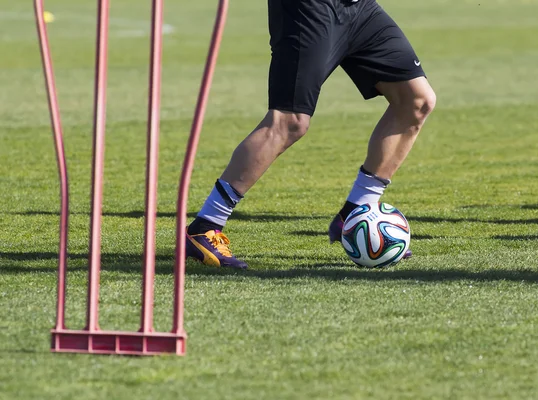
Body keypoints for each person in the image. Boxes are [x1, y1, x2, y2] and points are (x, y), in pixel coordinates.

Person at [185, 0, 436, 269]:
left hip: (359, 8)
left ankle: (355, 212)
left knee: (416, 101)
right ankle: (206, 226)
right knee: (289, 122)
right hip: (308, 9)